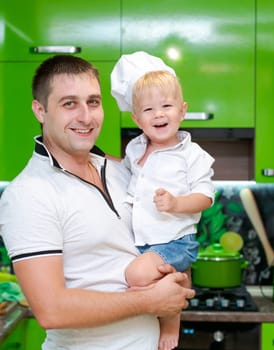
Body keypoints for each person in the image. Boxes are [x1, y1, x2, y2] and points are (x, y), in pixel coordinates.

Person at [0, 54, 195, 350]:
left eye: (93, 102)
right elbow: (51, 310)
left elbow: (171, 235)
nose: (85, 117)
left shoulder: (125, 172)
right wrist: (150, 300)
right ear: (40, 110)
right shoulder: (28, 194)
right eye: (69, 104)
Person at [111, 51, 215, 350]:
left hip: (174, 240)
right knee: (136, 276)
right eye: (149, 109)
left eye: (167, 106)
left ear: (182, 110)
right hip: (143, 241)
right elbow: (123, 173)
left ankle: (172, 317)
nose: (159, 114)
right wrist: (96, 156)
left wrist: (176, 204)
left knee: (136, 274)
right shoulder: (135, 149)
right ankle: (176, 280)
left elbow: (205, 197)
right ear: (136, 118)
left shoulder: (191, 154)